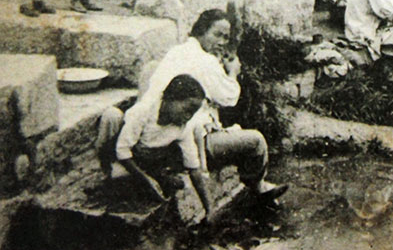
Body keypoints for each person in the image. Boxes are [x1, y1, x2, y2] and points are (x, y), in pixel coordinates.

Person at [96, 74, 287, 224]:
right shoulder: (143, 112)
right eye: (186, 109)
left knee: (175, 183)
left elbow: (193, 166)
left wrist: (209, 208)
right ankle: (136, 180)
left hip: (152, 160)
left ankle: (152, 180)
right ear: (170, 99)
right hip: (126, 157)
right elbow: (122, 151)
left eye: (193, 112)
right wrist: (147, 180)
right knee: (118, 177)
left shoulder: (182, 126)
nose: (188, 116)